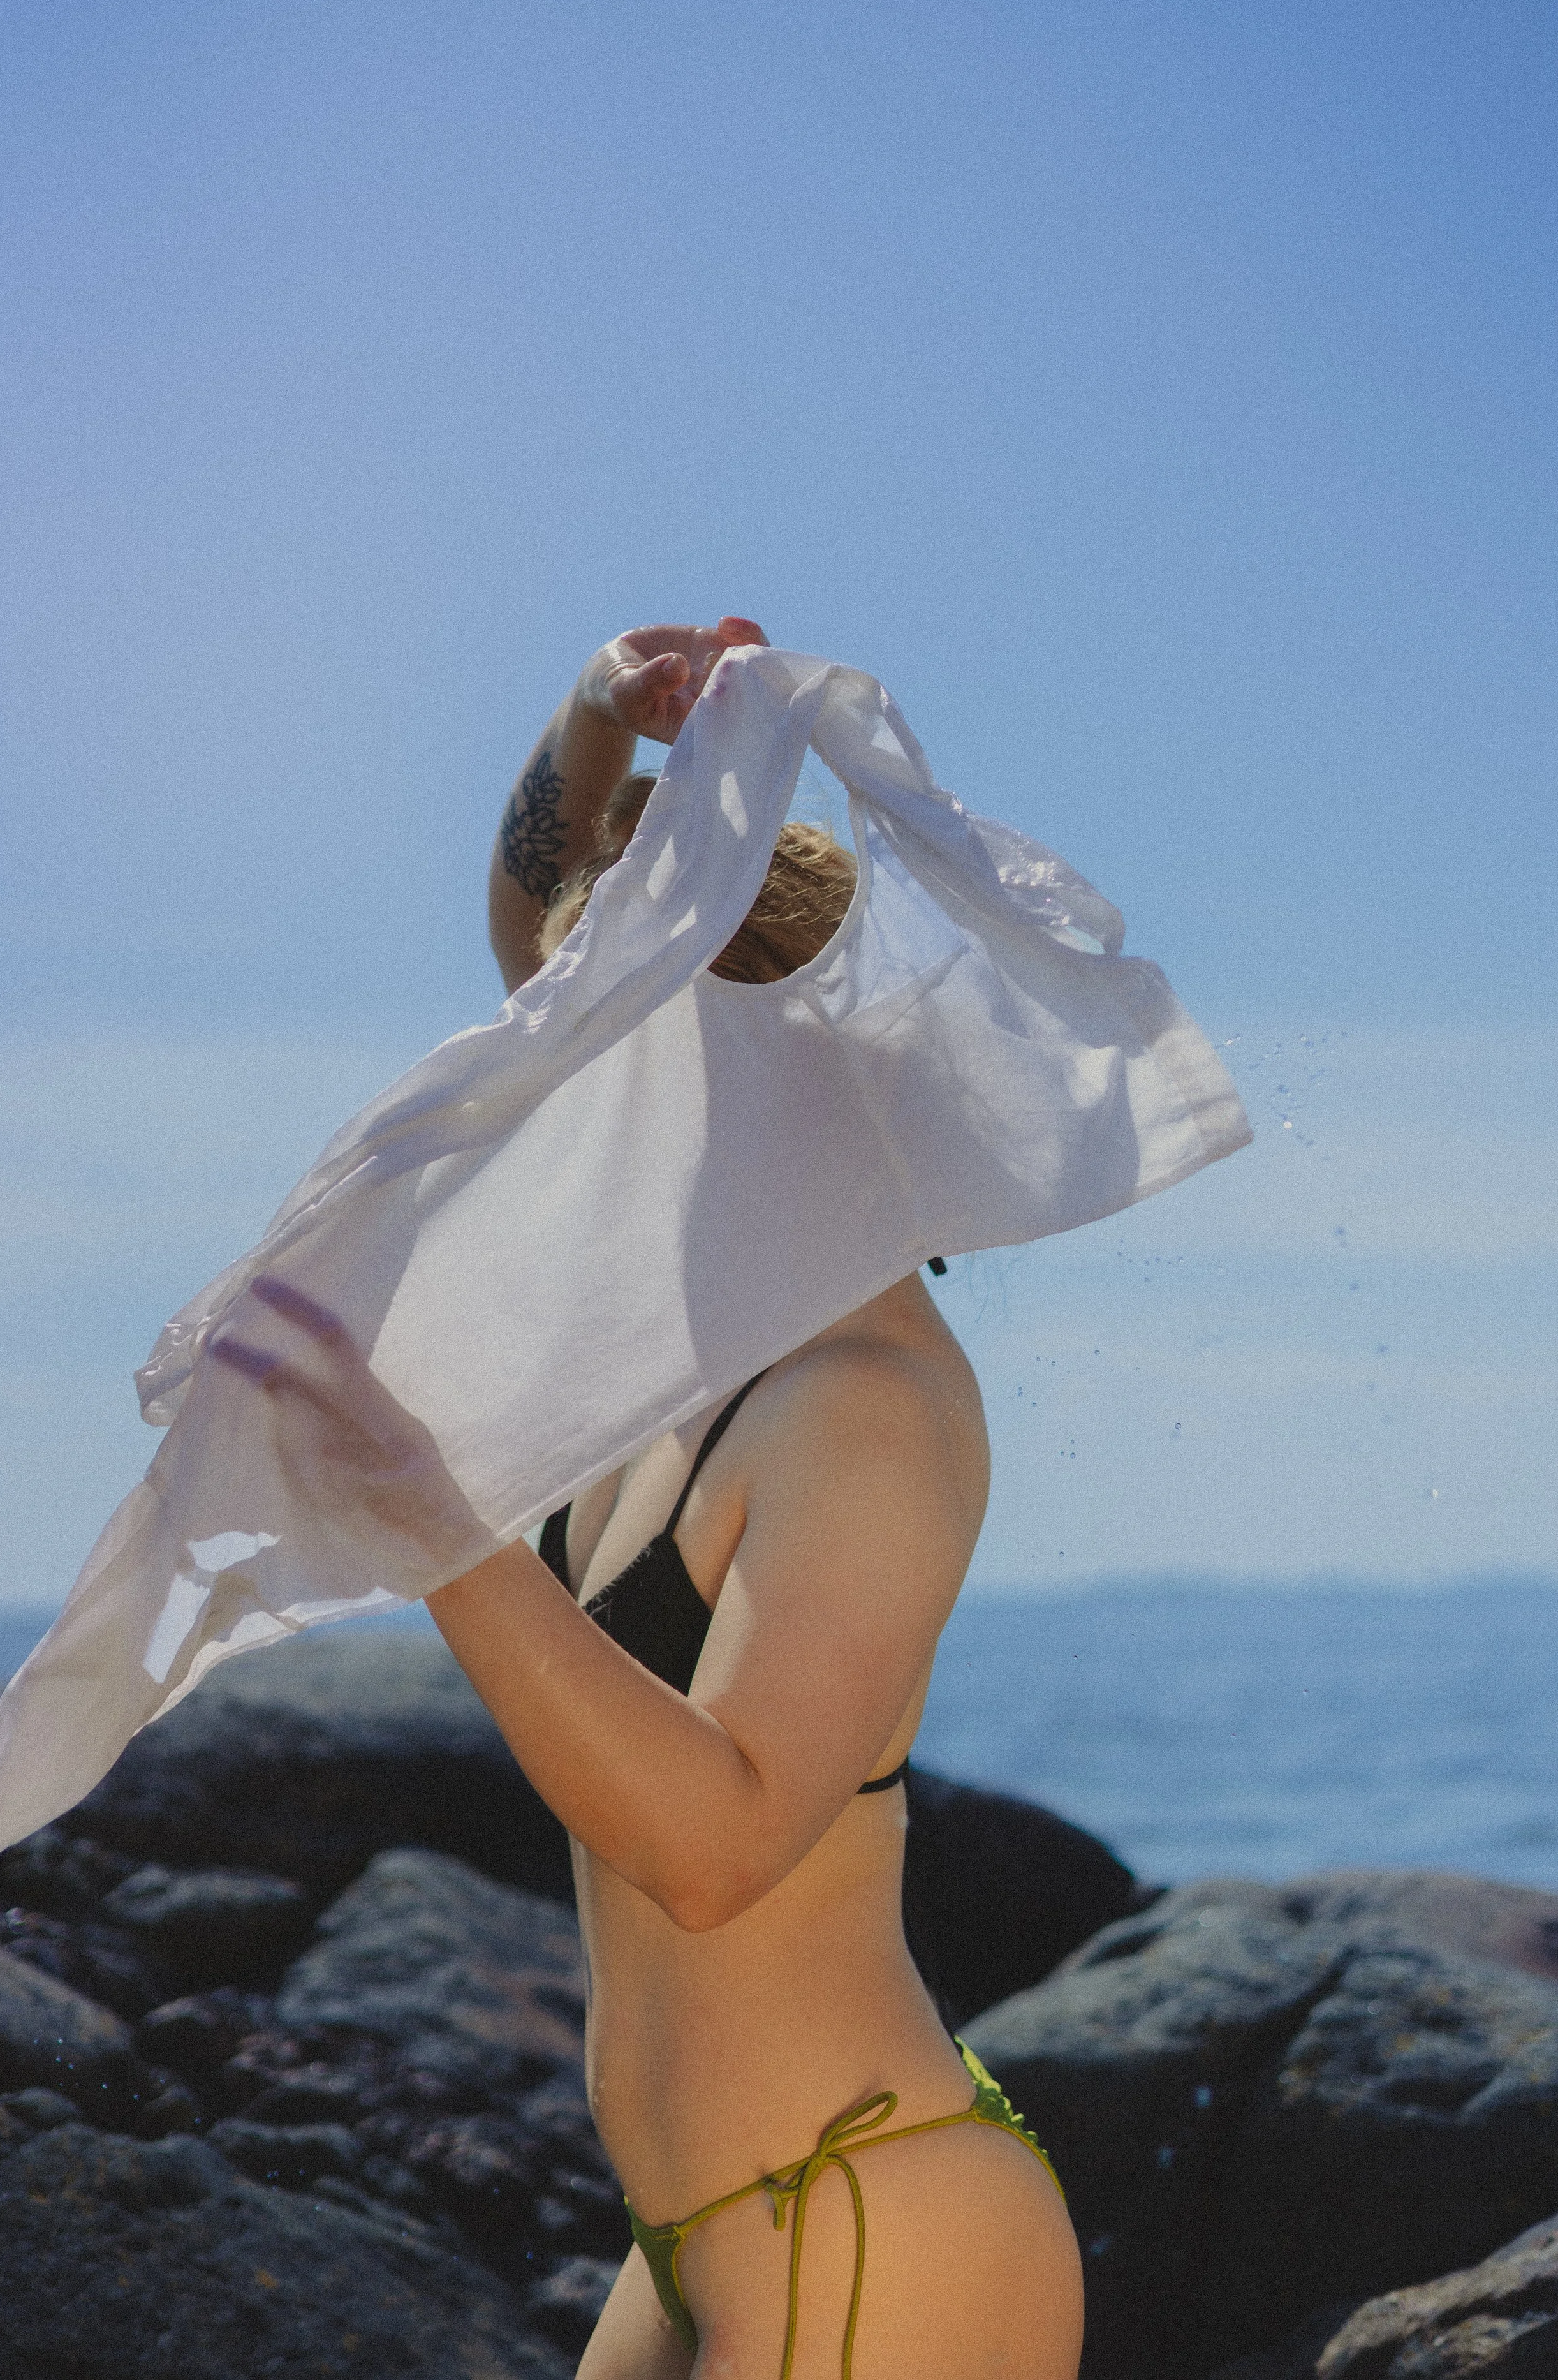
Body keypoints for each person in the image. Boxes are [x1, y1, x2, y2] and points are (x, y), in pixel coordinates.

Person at [422, 616, 1084, 2379]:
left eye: (613, 1051)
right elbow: (535, 920)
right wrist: (591, 713)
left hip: (871, 2234)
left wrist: (431, 1528)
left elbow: (720, 1846)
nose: (569, 1097)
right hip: (715, 2228)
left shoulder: (857, 1410)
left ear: (756, 1071)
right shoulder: (696, 1323)